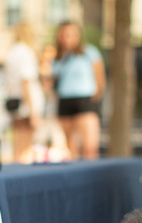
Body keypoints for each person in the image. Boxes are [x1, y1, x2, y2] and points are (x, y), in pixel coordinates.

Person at [52, 21, 106, 160]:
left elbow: (100, 78)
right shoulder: (58, 57)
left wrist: (95, 97)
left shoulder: (90, 52)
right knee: (71, 148)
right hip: (65, 100)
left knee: (90, 146)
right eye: (64, 35)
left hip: (85, 99)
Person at [4, 23, 45, 163]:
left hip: (15, 102)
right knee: (23, 148)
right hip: (25, 105)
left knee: (17, 146)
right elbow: (26, 81)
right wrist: (33, 110)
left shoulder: (12, 52)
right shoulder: (25, 52)